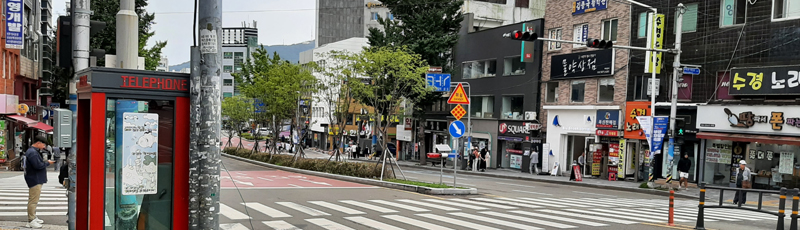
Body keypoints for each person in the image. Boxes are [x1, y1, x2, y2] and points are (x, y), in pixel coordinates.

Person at [23, 136, 54, 228]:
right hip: (34, 178)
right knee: (33, 200)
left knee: (34, 199)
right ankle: (31, 220)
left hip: (34, 177)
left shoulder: (32, 151)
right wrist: (48, 163)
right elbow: (38, 166)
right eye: (43, 144)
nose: (44, 146)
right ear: (38, 143)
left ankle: (33, 217)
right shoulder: (33, 153)